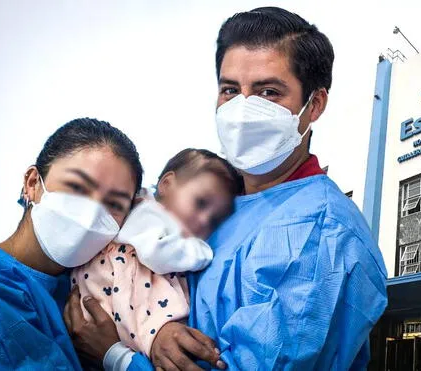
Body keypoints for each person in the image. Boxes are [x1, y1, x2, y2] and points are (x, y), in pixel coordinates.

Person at [66, 6, 388, 371]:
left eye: (269, 92)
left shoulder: (322, 233)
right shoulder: (216, 205)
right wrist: (157, 334)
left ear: (313, 105)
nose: (244, 108)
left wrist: (116, 355)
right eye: (230, 90)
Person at [0, 118, 144, 370]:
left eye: (114, 205)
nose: (91, 215)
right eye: (77, 187)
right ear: (33, 183)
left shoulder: (105, 286)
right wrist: (118, 358)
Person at [71, 149, 242, 359]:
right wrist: (202, 252)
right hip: (112, 300)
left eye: (214, 220)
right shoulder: (147, 213)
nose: (204, 221)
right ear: (167, 184)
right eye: (200, 203)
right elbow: (157, 254)